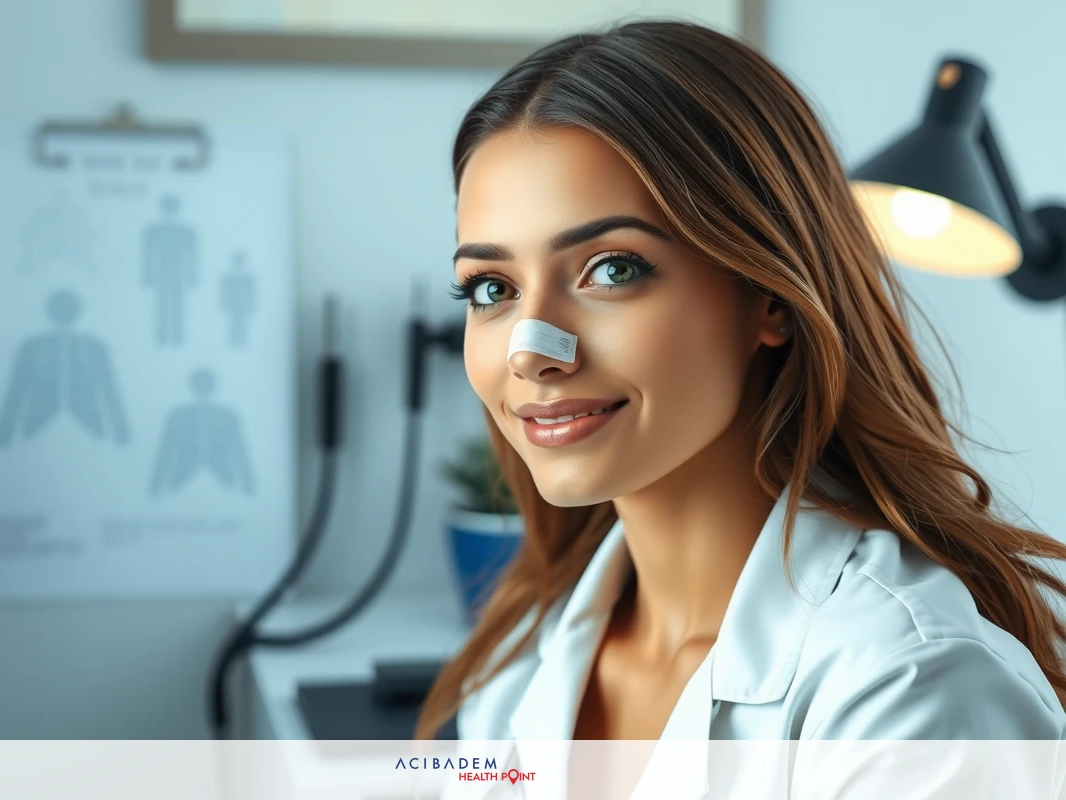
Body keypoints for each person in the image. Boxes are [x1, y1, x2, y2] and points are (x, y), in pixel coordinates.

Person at [414, 20, 1066, 761]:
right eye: (491, 287)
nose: (534, 354)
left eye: (613, 269)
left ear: (771, 298)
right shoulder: (520, 660)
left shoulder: (916, 694)